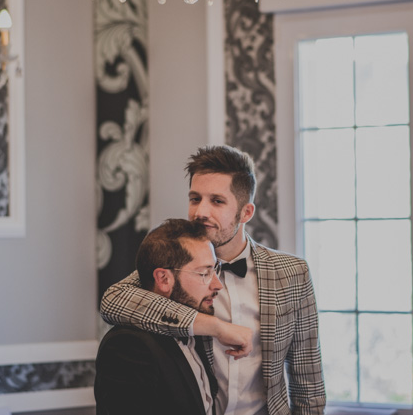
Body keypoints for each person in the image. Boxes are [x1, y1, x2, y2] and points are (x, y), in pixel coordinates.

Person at [101, 145, 325, 415]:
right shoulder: (175, 266)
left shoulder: (292, 273)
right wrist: (216, 327)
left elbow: (307, 383)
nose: (200, 212)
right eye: (195, 198)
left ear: (246, 213)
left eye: (217, 201)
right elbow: (113, 301)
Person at [94, 218, 223, 415]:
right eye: (204, 273)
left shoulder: (194, 331)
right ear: (164, 279)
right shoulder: (127, 346)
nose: (217, 285)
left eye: (214, 270)